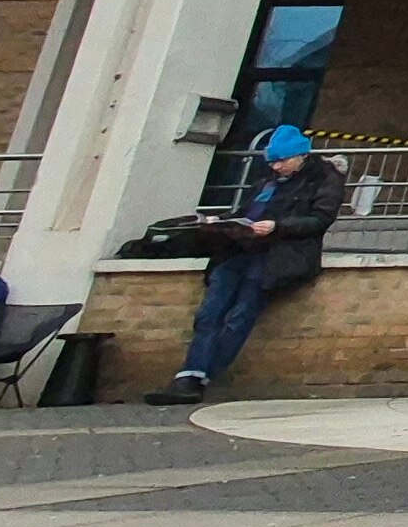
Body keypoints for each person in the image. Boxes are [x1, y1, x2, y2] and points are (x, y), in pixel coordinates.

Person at [148, 124, 346, 405]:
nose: (276, 167)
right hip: (240, 251)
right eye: (272, 161)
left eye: (282, 161)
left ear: (300, 156)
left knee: (240, 315)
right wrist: (224, 222)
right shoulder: (267, 180)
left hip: (276, 256)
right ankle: (189, 376)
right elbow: (247, 211)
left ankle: (198, 377)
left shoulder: (324, 177)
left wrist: (278, 226)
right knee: (208, 315)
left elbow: (320, 219)